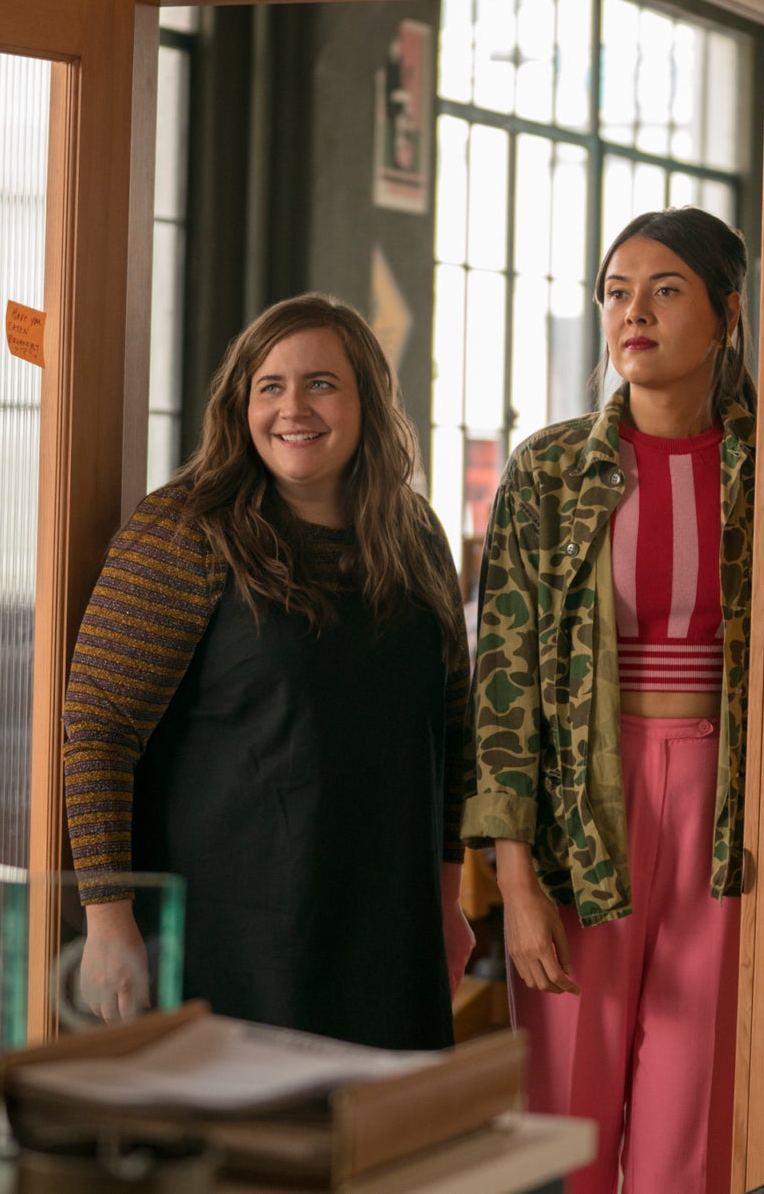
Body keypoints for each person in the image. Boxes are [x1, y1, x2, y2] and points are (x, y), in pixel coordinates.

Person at [62, 293, 475, 1051]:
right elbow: (97, 727)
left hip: (390, 934)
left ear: (367, 404)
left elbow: (451, 730)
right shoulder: (185, 531)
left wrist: (447, 900)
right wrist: (108, 917)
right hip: (234, 945)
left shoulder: (415, 534)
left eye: (321, 383)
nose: (295, 407)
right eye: (271, 386)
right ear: (240, 404)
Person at [461, 207, 756, 1193]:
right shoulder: (548, 470)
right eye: (616, 291)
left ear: (726, 314)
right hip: (579, 814)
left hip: (726, 821)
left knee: (693, 1119)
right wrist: (514, 882)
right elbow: (500, 694)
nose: (635, 312)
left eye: (666, 290)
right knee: (568, 1118)